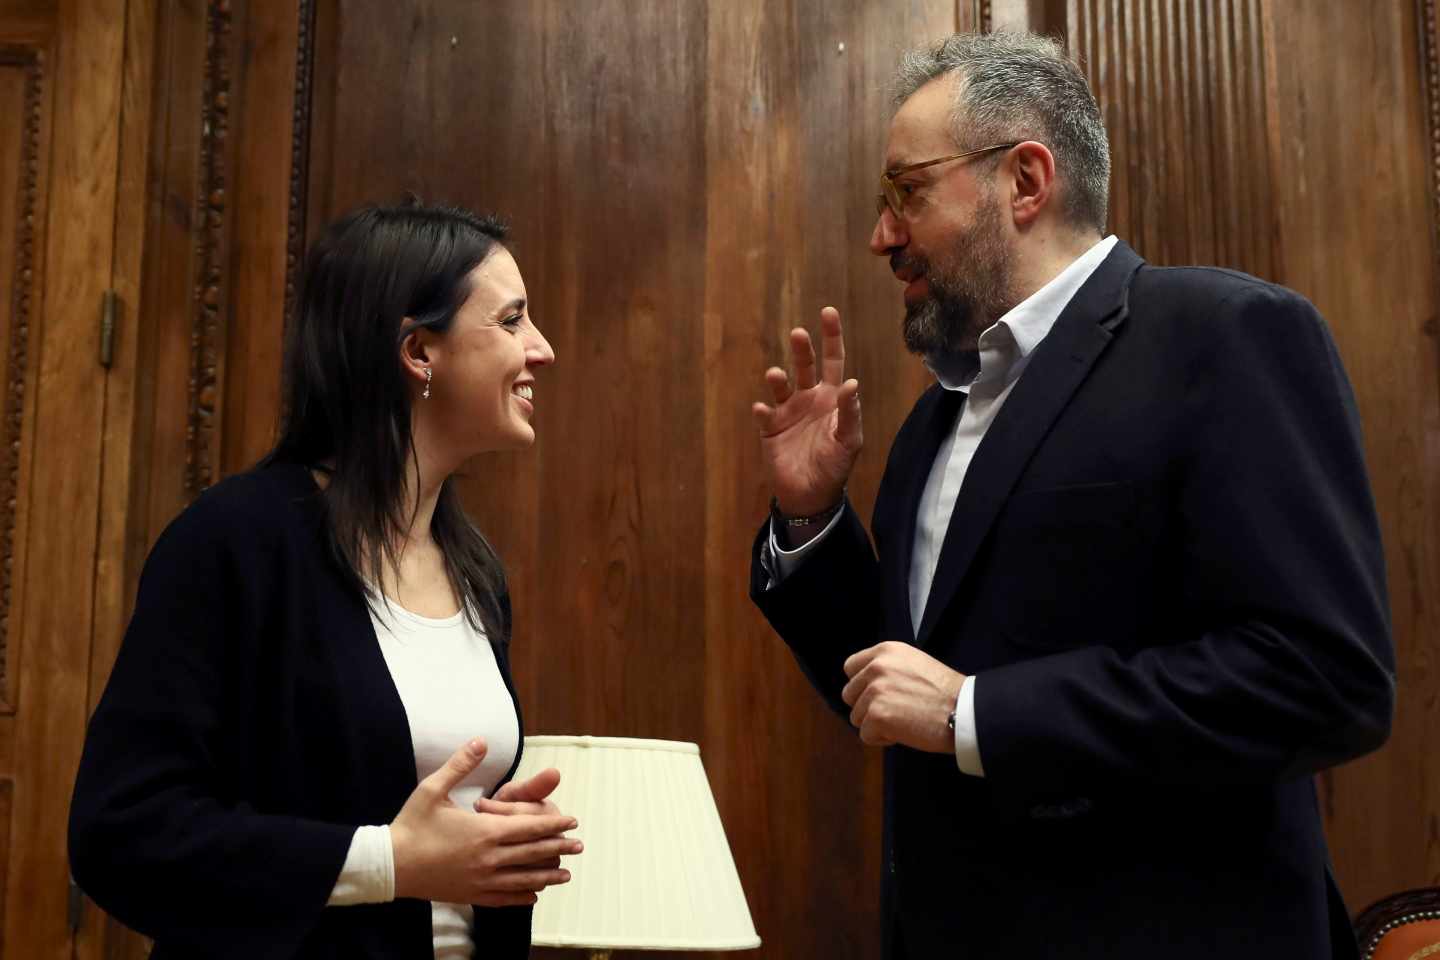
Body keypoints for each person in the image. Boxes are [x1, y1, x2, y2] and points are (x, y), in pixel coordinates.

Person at [749, 32, 1394, 960]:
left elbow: (1322, 679)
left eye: (906, 192)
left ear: (1025, 180)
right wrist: (812, 522)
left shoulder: (1226, 338)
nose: (881, 235)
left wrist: (980, 713)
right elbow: (898, 689)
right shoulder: (934, 422)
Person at [70, 201, 579, 959]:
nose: (541, 349)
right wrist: (390, 863)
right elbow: (123, 834)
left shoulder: (477, 571)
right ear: (418, 352)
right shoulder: (232, 543)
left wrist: (501, 846)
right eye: (511, 321)